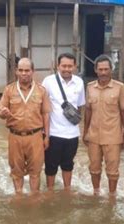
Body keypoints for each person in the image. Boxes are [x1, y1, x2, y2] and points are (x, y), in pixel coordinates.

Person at [0, 58, 51, 196]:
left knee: (35, 171)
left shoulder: (41, 91)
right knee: (16, 171)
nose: (24, 73)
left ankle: (34, 197)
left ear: (33, 71)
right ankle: (19, 196)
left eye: (27, 70)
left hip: (35, 137)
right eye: (20, 70)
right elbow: (1, 111)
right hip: (15, 136)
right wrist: (3, 113)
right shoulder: (9, 90)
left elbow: (45, 114)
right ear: (16, 72)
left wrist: (47, 137)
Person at [83, 55, 124, 196]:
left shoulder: (119, 87)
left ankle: (112, 196)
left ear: (111, 70)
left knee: (113, 170)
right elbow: (88, 111)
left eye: (106, 69)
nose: (103, 72)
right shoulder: (90, 87)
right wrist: (85, 132)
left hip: (113, 136)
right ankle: (96, 192)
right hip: (94, 136)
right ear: (96, 70)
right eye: (100, 69)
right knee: (94, 168)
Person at [41, 53, 85, 192]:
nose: (66, 69)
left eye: (70, 66)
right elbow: (42, 107)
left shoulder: (79, 82)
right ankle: (50, 191)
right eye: (63, 66)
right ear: (58, 66)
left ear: (75, 66)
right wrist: (45, 134)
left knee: (68, 164)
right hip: (54, 133)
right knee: (50, 165)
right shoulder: (48, 81)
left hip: (72, 134)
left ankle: (67, 191)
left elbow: (79, 106)